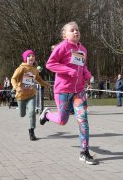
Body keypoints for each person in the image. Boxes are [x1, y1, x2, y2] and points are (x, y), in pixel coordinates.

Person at [39, 21, 98, 165]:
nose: (76, 32)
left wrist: (89, 76)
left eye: (77, 29)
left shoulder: (83, 49)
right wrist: (68, 71)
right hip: (63, 90)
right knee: (62, 120)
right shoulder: (62, 47)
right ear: (65, 35)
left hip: (79, 91)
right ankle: (47, 115)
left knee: (83, 120)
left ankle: (84, 152)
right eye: (72, 30)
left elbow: (82, 67)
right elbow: (50, 64)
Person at [11, 49, 49, 141]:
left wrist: (45, 84)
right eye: (29, 56)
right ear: (25, 59)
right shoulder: (21, 68)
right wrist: (16, 87)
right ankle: (26, 115)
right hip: (21, 96)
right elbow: (13, 79)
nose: (31, 57)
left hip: (31, 94)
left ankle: (31, 131)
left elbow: (38, 79)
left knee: (32, 112)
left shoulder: (35, 70)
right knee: (22, 114)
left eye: (32, 56)